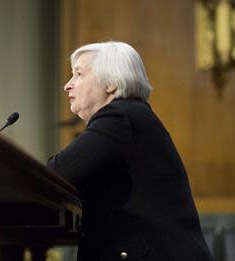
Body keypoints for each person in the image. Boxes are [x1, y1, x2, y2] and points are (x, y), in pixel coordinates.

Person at [48, 41, 213, 261]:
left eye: (79, 74)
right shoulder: (131, 116)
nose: (68, 85)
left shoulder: (118, 118)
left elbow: (56, 172)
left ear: (111, 84)